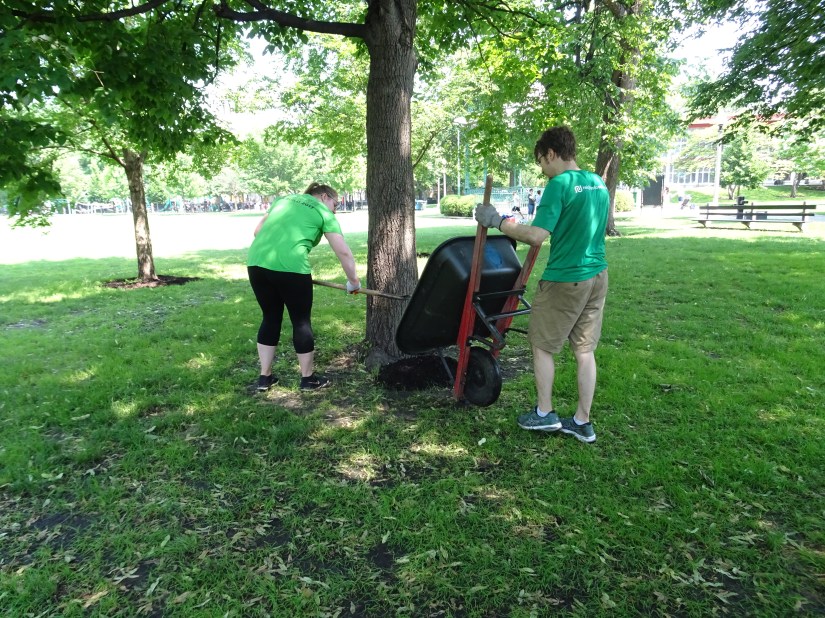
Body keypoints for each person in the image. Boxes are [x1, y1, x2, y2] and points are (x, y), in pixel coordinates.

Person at [474, 126, 608, 443]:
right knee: (585, 350)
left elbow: (536, 235)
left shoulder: (559, 185)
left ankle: (545, 414)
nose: (542, 170)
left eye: (541, 162)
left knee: (542, 346)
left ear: (550, 153)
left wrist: (497, 221)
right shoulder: (597, 183)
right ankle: (581, 421)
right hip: (597, 276)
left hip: (565, 278)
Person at [247, 182, 361, 392]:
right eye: (335, 204)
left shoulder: (283, 200)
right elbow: (343, 252)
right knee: (301, 322)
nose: (335, 210)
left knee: (270, 317)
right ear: (325, 197)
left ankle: (265, 378)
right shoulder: (324, 213)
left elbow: (258, 231)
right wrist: (354, 282)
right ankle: (308, 379)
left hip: (256, 263)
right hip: (292, 268)